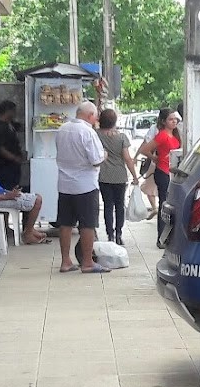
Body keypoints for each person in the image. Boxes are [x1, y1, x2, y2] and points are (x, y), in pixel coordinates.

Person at [54, 101, 110, 273]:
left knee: (65, 223)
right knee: (87, 224)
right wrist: (105, 156)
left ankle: (65, 261)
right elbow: (95, 160)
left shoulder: (62, 129)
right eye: (95, 116)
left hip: (65, 184)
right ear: (90, 115)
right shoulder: (87, 132)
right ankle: (87, 262)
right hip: (85, 185)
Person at [0, 139, 48, 244]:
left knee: (34, 196)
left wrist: (9, 193)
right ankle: (28, 233)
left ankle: (30, 230)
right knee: (37, 200)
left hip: (3, 195)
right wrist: (7, 196)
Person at [136, 107, 181, 246]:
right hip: (163, 171)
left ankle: (168, 236)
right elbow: (144, 149)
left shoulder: (175, 134)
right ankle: (161, 237)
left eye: (175, 119)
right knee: (164, 204)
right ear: (164, 121)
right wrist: (155, 158)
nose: (174, 122)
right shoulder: (162, 135)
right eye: (170, 119)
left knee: (170, 205)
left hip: (172, 171)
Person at [96, 108, 139, 246]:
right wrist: (134, 176)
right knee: (120, 206)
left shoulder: (96, 135)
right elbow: (127, 158)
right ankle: (119, 234)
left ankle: (110, 234)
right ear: (114, 121)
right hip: (120, 176)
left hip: (103, 176)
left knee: (108, 205)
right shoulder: (121, 137)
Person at [0, 99, 27, 190]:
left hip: (13, 165)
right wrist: (15, 158)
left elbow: (19, 126)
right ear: (8, 112)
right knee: (7, 187)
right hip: (5, 166)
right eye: (13, 111)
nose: (15, 114)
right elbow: (1, 149)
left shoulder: (9, 123)